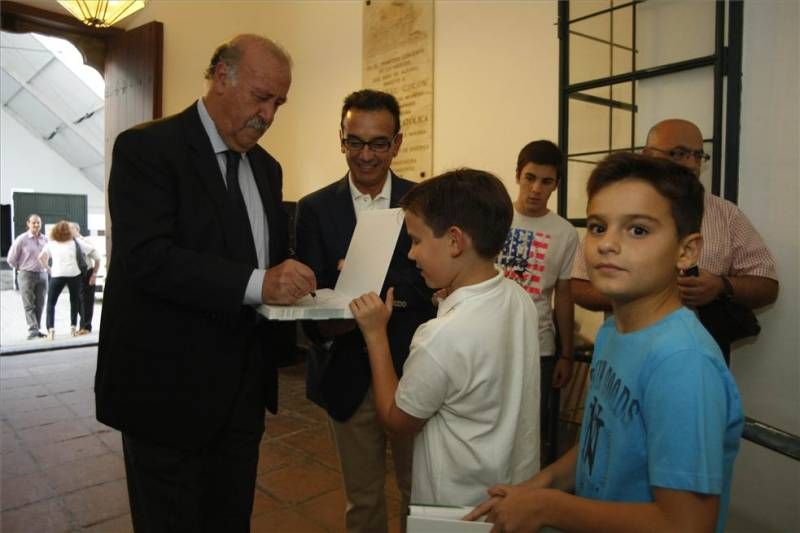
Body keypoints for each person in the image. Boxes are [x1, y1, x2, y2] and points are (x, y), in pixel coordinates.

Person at [95, 34, 316, 533]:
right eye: (261, 97)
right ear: (222, 77)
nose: (270, 115)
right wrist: (262, 282)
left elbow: (262, 257)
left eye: (279, 103)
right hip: (166, 394)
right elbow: (147, 258)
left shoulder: (266, 168)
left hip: (240, 396)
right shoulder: (146, 149)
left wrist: (303, 278)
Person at [467, 153, 743, 533]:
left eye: (638, 230)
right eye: (598, 227)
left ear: (686, 252)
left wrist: (549, 507)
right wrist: (541, 484)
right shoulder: (614, 331)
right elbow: (600, 440)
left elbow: (687, 524)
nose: (608, 244)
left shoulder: (683, 363)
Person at [349, 168, 540, 507]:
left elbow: (397, 421)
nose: (411, 254)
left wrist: (376, 335)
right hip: (511, 496)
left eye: (416, 240)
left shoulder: (441, 336)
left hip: (454, 509)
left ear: (454, 241)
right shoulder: (518, 296)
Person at [295, 89, 435, 533]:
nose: (366, 155)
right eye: (355, 142)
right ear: (341, 139)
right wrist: (330, 314)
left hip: (415, 371)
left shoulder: (424, 200)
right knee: (364, 501)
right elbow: (308, 291)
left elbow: (436, 278)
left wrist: (365, 277)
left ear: (397, 143)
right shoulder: (313, 209)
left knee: (421, 494)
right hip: (346, 373)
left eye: (378, 143)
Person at [572, 119, 778, 362]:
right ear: (647, 154)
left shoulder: (726, 215)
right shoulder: (620, 209)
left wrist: (721, 286)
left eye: (698, 155)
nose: (691, 164)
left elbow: (768, 285)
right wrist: (642, 293)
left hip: (698, 354)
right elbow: (579, 285)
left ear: (690, 248)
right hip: (623, 352)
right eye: (678, 153)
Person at [496, 140, 578, 463]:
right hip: (492, 338)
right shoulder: (496, 217)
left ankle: (524, 501)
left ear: (556, 184)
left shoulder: (565, 233)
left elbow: (564, 295)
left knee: (530, 431)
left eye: (546, 181)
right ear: (517, 175)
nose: (536, 188)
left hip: (539, 346)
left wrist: (566, 354)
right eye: (530, 177)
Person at [38, 220, 96, 340]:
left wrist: (48, 269)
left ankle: (51, 330)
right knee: (74, 301)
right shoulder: (75, 242)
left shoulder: (51, 243)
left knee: (51, 303)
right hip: (74, 275)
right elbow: (92, 250)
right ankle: (73, 328)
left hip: (57, 274)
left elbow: (41, 257)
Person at [7, 213, 48, 339]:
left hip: (42, 274)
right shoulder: (22, 239)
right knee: (29, 304)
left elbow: (48, 255)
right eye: (34, 222)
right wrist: (21, 269)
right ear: (28, 224)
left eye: (38, 223)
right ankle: (32, 329)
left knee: (40, 303)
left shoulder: (45, 239)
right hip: (26, 275)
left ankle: (37, 328)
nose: (36, 224)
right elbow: (11, 259)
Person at [69, 222, 101, 335]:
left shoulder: (84, 241)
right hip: (74, 274)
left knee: (86, 301)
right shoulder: (68, 243)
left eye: (70, 228)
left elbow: (97, 257)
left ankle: (86, 327)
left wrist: (94, 274)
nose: (67, 230)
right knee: (77, 301)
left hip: (87, 273)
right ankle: (83, 325)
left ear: (77, 230)